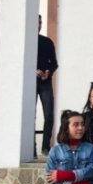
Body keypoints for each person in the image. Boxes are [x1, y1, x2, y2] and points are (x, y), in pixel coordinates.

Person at [37, 14, 59, 155]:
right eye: (36, 22)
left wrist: (48, 72)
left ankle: (45, 146)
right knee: (30, 115)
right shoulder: (25, 42)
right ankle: (31, 147)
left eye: (40, 22)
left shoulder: (47, 42)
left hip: (45, 82)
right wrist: (34, 71)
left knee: (49, 114)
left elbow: (54, 63)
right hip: (30, 83)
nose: (38, 25)